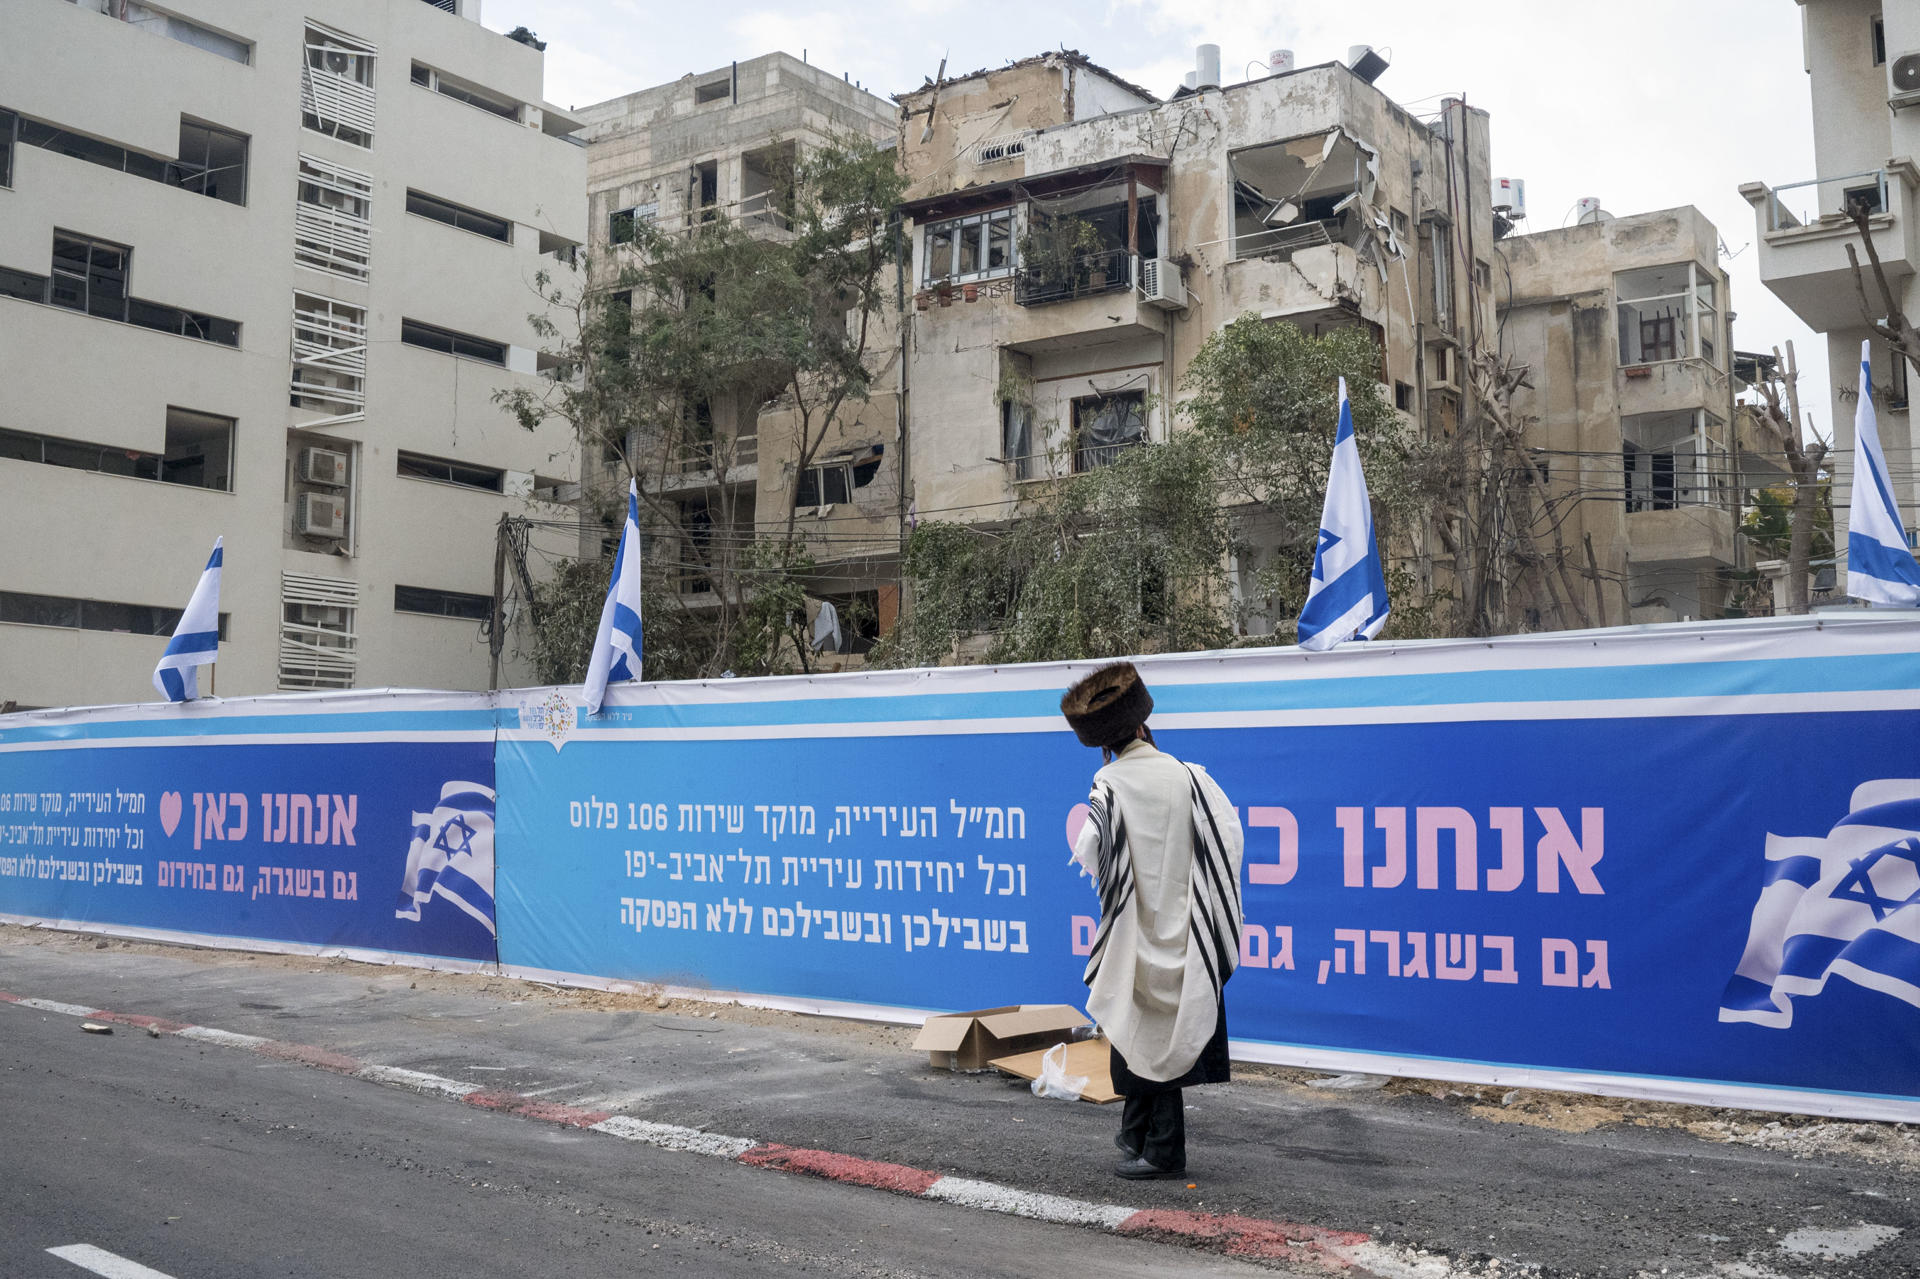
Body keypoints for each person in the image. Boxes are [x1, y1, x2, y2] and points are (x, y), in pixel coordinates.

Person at [1061, 662, 1244, 1180]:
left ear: (1107, 744)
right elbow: (1228, 840)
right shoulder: (1191, 778)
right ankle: (1136, 1132)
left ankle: (1165, 1150)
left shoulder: (1108, 785)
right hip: (1188, 927)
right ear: (1143, 727)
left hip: (1136, 926)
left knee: (1138, 1029)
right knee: (1159, 1031)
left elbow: (1089, 849)